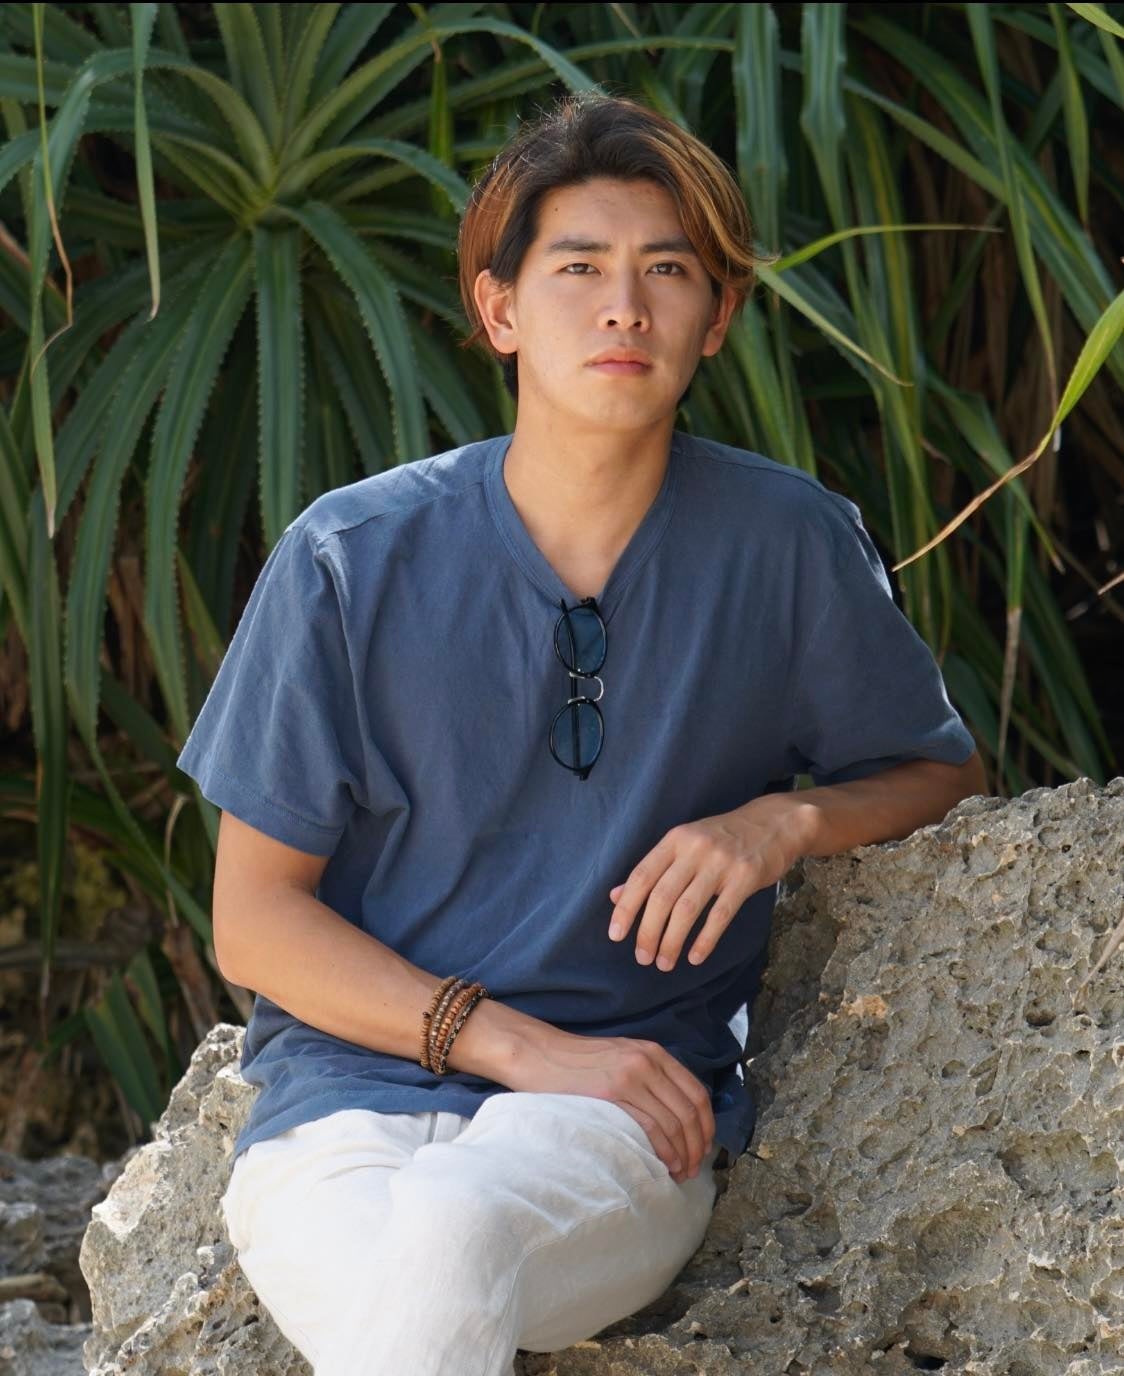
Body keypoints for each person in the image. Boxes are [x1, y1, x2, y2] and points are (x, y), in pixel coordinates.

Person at [175, 90, 986, 1375]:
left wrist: (778, 821)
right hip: (339, 1101)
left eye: (665, 270)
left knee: (448, 1231)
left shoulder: (784, 546)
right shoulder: (348, 556)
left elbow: (938, 770)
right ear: (498, 309)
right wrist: (517, 1044)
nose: (623, 307)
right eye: (577, 268)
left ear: (716, 315)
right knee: (408, 1262)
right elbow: (255, 918)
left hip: (624, 1113)